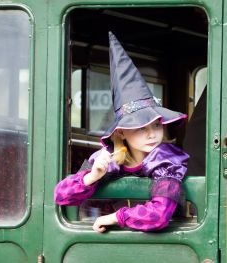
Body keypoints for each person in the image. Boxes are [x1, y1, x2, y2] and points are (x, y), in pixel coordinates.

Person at [54, 32, 189, 233]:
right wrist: (92, 176)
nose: (152, 134)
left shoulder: (166, 161)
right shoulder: (107, 159)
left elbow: (159, 215)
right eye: (141, 127)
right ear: (122, 132)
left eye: (157, 125)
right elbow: (61, 196)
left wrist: (115, 217)